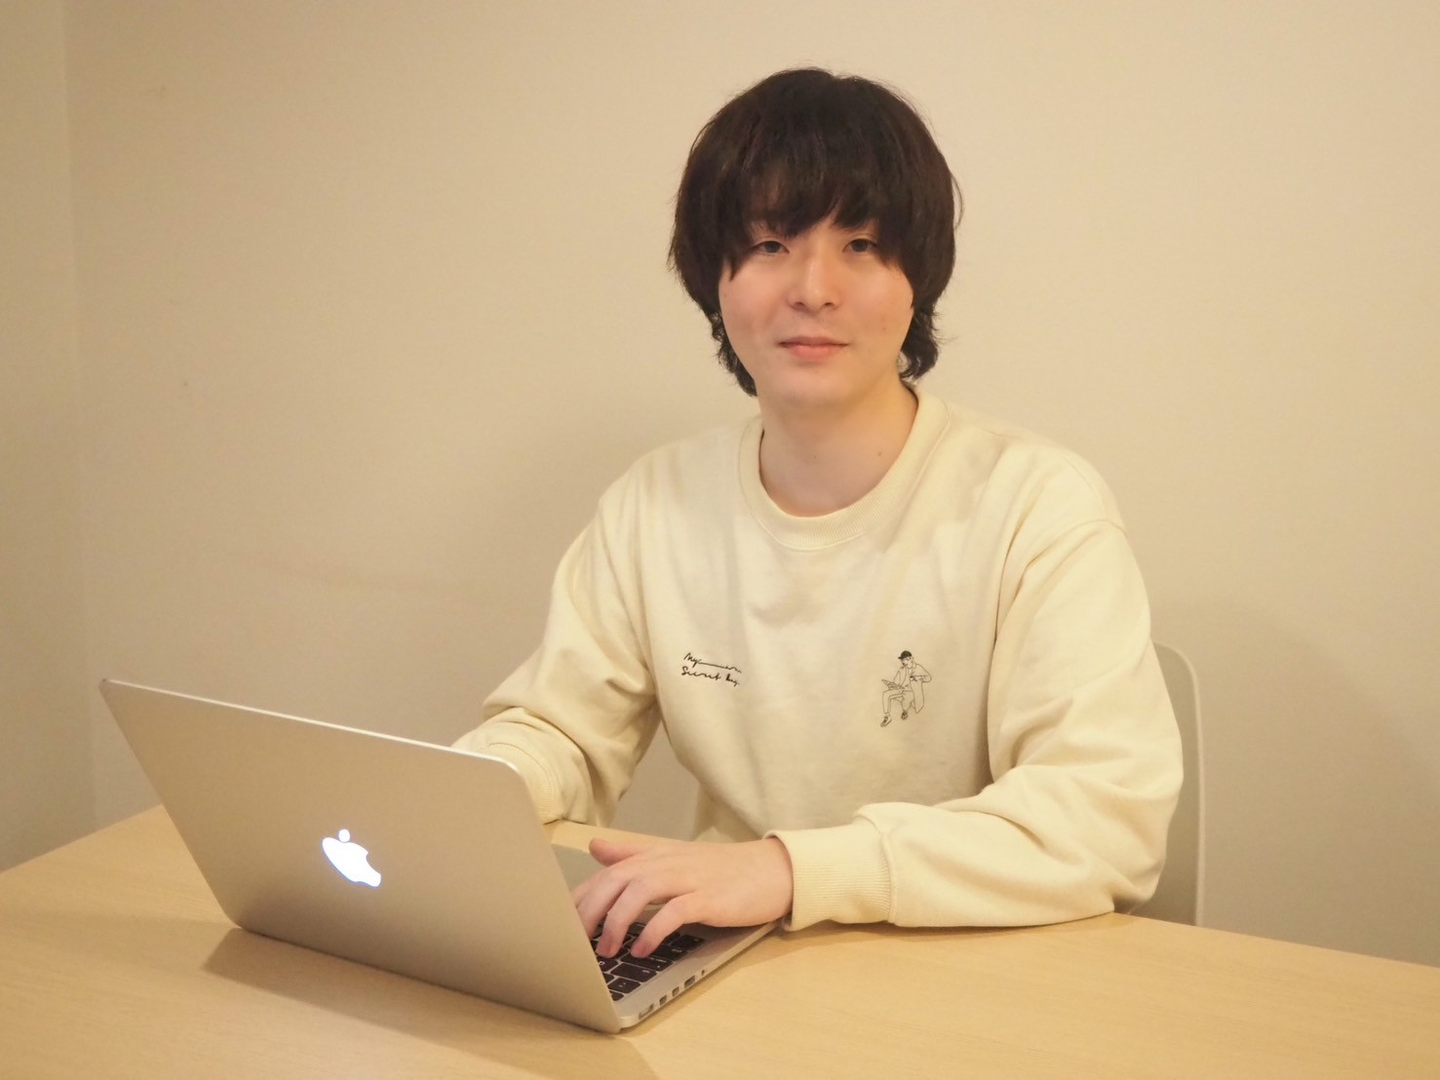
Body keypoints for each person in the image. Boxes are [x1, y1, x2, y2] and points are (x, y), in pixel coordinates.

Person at [454, 68, 1182, 962]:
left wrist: (792, 869)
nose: (813, 288)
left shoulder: (1037, 506)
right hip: (728, 962)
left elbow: (1104, 820)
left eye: (862, 245)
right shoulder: (656, 504)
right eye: (769, 243)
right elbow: (560, 732)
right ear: (715, 280)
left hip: (969, 968)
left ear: (917, 280)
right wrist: (469, 791)